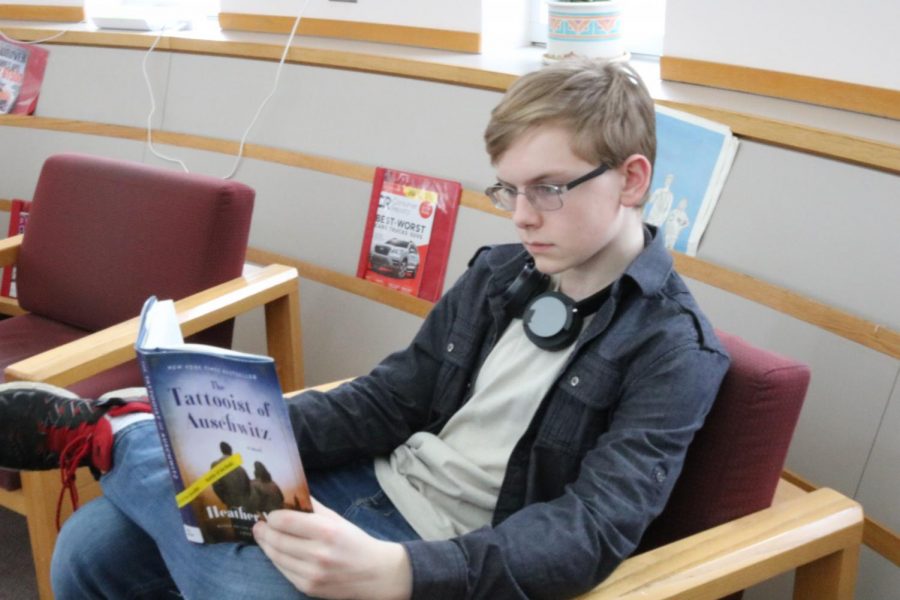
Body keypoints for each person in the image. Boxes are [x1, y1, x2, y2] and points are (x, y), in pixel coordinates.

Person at [0, 57, 729, 600]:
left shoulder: (675, 350)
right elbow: (388, 402)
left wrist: (403, 572)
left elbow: (591, 529)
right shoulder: (501, 271)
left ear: (632, 180)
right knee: (91, 549)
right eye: (508, 188)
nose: (521, 215)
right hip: (369, 487)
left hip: (453, 550)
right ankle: (146, 438)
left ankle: (120, 434)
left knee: (251, 589)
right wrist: (250, 431)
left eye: (549, 189)